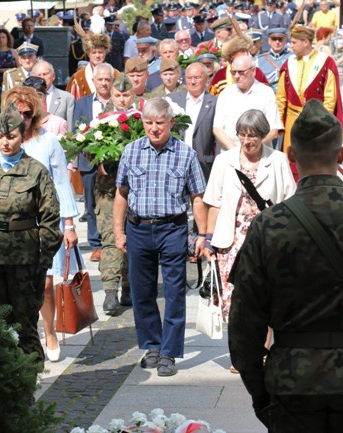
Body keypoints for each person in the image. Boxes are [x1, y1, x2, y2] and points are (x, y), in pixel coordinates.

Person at [228, 99, 343, 432]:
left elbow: (244, 323)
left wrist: (260, 391)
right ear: (341, 156)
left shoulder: (267, 225)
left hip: (294, 380)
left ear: (291, 156)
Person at [113, 97, 208, 376]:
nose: (154, 129)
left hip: (173, 228)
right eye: (148, 123)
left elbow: (197, 197)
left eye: (159, 123)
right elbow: (121, 193)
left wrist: (203, 235)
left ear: (170, 123)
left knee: (175, 291)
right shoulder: (131, 152)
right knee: (142, 291)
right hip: (138, 228)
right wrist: (118, 231)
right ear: (142, 123)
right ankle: (152, 345)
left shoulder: (185, 153)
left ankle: (169, 352)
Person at [0, 103, 62, 365]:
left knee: (24, 320)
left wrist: (44, 258)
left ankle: (28, 380)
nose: (5, 143)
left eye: (11, 137)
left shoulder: (36, 171)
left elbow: (50, 219)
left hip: (24, 259)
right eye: (0, 137)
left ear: (22, 135)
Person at [0, 86, 80, 362]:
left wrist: (70, 224)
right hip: (10, 225)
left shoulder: (49, 142)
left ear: (35, 114)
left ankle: (49, 332)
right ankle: (22, 333)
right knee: (12, 283)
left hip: (43, 222)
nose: (22, 118)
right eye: (17, 112)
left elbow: (62, 183)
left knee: (46, 281)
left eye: (27, 113)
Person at [203, 110, 296, 372]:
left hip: (266, 236)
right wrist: (209, 241)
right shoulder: (225, 161)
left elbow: (290, 200)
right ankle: (241, 352)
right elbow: (214, 203)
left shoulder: (277, 160)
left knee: (265, 295)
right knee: (235, 298)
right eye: (242, 135)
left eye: (253, 135)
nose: (247, 141)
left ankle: (263, 351)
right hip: (230, 238)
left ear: (263, 135)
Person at [94, 74, 135, 315]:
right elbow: (89, 152)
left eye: (126, 95)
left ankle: (130, 286)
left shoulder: (141, 120)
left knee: (133, 237)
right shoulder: (101, 121)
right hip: (108, 190)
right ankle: (111, 290)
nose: (121, 99)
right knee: (110, 237)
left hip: (135, 191)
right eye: (117, 95)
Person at [276, 26, 343, 167]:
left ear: (305, 42)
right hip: (292, 121)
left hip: (316, 122)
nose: (291, 46)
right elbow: (281, 97)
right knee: (292, 163)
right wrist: (278, 123)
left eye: (294, 42)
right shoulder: (289, 63)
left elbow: (330, 98)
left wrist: (323, 123)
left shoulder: (326, 62)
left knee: (315, 163)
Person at [71, 63, 115, 264]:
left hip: (113, 163)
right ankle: (96, 244)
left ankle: (112, 241)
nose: (104, 83)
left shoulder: (118, 102)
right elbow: (76, 130)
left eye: (107, 79)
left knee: (113, 202)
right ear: (94, 81)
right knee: (90, 204)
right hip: (89, 162)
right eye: (100, 79)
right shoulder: (82, 103)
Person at [213, 55, 283, 151]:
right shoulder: (226, 94)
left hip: (260, 155)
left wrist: (253, 149)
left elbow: (273, 129)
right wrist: (235, 150)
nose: (236, 76)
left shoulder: (266, 93)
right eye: (233, 72)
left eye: (241, 72)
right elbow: (218, 128)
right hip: (230, 154)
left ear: (253, 71)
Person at [168, 62, 218, 180]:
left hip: (203, 164)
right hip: (176, 162)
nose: (192, 81)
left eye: (197, 78)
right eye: (189, 78)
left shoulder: (215, 103)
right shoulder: (172, 100)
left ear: (206, 78)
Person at [66, 33, 119, 100]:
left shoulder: (116, 75)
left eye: (100, 52)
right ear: (88, 53)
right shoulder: (78, 78)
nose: (97, 56)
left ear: (105, 52)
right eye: (94, 52)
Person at [33, 60, 76, 130]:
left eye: (45, 74)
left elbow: (70, 128)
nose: (42, 78)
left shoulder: (67, 98)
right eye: (39, 75)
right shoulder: (30, 98)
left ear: (53, 76)